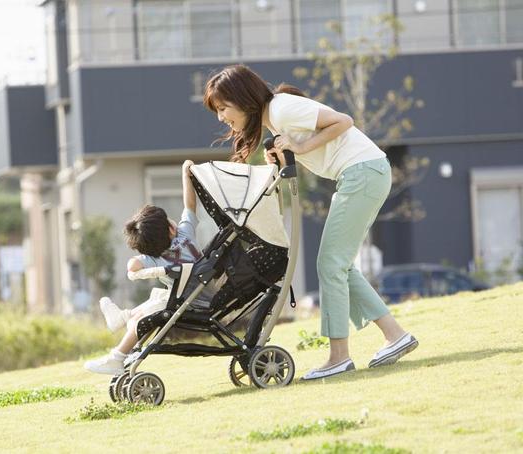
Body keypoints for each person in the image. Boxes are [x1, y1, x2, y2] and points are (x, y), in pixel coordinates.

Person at [203, 64, 418, 380]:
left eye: (223, 108)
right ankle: (394, 335)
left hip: (362, 173)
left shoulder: (282, 108)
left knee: (330, 264)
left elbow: (343, 122)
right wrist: (282, 157)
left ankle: (339, 357)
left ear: (243, 98)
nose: (221, 117)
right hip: (361, 175)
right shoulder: (276, 119)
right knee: (339, 265)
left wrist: (300, 147)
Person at [84, 160, 204, 375]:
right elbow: (189, 204)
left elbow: (134, 264)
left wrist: (133, 265)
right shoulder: (186, 235)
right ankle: (124, 319)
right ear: (170, 228)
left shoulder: (155, 259)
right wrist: (186, 176)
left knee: (143, 317)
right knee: (153, 304)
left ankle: (117, 356)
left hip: (187, 302)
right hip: (198, 296)